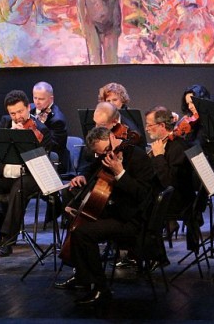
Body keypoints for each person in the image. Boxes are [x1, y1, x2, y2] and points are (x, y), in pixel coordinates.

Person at [54, 125, 153, 305]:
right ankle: (83, 277)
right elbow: (91, 168)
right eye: (101, 153)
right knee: (76, 219)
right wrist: (83, 176)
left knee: (83, 233)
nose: (107, 154)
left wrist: (120, 172)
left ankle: (101, 288)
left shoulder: (137, 157)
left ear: (112, 138)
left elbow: (142, 195)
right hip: (115, 212)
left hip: (132, 218)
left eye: (107, 149)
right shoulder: (107, 156)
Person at [0, 90, 53, 257]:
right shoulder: (5, 123)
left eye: (20, 111)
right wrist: (8, 135)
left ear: (28, 107)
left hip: (30, 176)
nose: (17, 117)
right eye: (13, 113)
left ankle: (7, 240)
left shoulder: (42, 129)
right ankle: (2, 225)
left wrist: (24, 139)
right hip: (6, 175)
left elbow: (40, 162)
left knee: (18, 190)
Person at [146, 106, 199, 250]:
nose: (146, 128)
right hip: (167, 196)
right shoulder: (163, 143)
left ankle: (152, 252)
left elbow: (169, 183)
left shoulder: (177, 147)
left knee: (137, 207)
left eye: (149, 125)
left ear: (162, 126)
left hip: (176, 201)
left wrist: (159, 157)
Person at [177, 84, 214, 179]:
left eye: (192, 102)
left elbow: (198, 147)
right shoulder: (193, 122)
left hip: (211, 172)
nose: (190, 107)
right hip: (196, 169)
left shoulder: (211, 123)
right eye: (188, 103)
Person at [31, 81, 69, 169]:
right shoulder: (30, 109)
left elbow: (51, 147)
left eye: (41, 99)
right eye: (35, 98)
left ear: (51, 99)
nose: (37, 102)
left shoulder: (57, 120)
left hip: (52, 162)